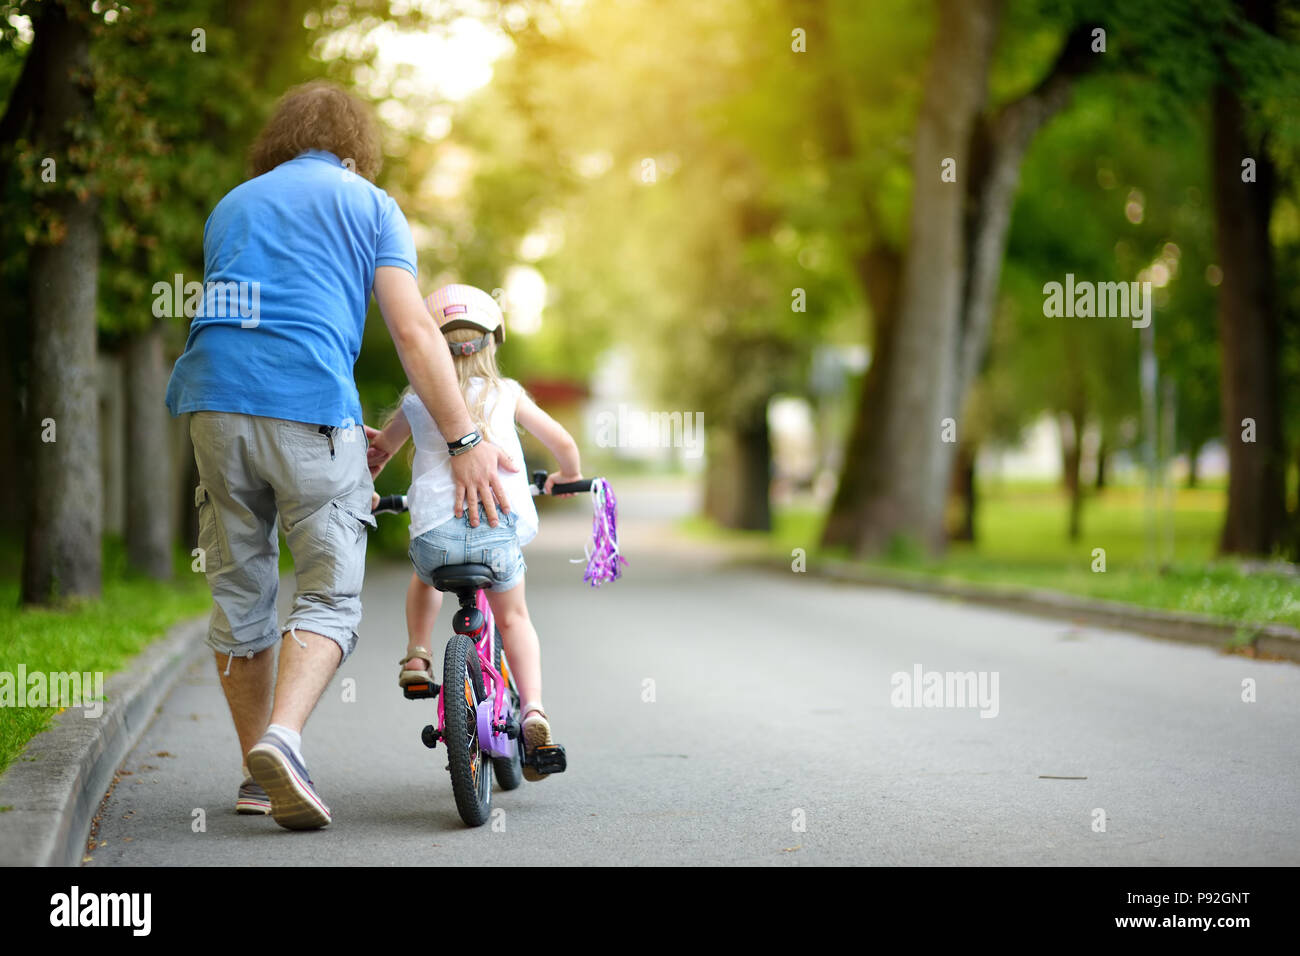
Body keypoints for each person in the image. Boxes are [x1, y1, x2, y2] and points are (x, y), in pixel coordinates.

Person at [164, 81, 517, 830]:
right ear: (356, 149)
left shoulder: (233, 203)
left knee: (240, 594)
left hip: (211, 408)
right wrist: (465, 440)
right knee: (327, 595)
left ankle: (257, 772)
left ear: (280, 140)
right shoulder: (370, 205)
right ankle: (284, 741)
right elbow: (417, 333)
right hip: (308, 409)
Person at [367, 284, 582, 779]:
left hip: (436, 540)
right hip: (496, 537)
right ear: (492, 343)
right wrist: (566, 475)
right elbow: (563, 441)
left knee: (424, 578)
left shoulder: (417, 401)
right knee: (515, 620)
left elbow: (378, 453)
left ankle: (418, 655)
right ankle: (533, 710)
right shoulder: (507, 394)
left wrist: (368, 491)